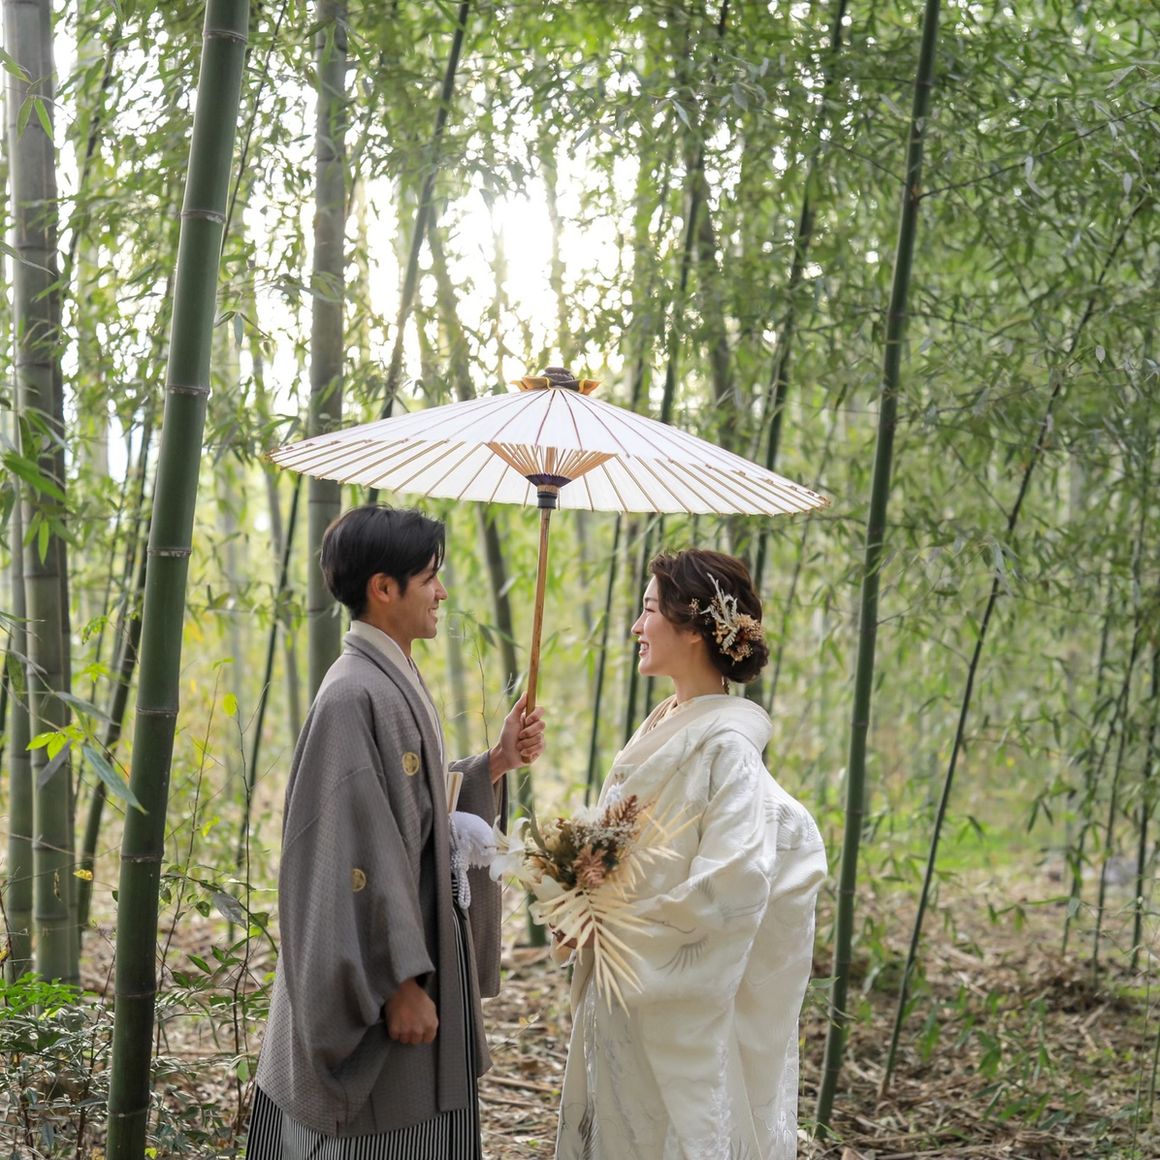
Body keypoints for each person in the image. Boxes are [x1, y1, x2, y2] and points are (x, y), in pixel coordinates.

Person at [245, 505, 545, 1159]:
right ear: (384, 588)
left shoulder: (387, 677)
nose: (442, 593)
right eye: (430, 578)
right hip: (388, 973)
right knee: (382, 1131)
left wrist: (494, 763)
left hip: (413, 952)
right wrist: (400, 984)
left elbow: (410, 808)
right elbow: (349, 854)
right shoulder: (353, 695)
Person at [556, 548, 827, 1160]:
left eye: (650, 609)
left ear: (694, 627)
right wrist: (578, 896)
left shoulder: (728, 746)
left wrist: (620, 927)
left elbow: (733, 884)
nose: (636, 626)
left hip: (663, 986)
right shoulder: (666, 721)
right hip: (626, 983)